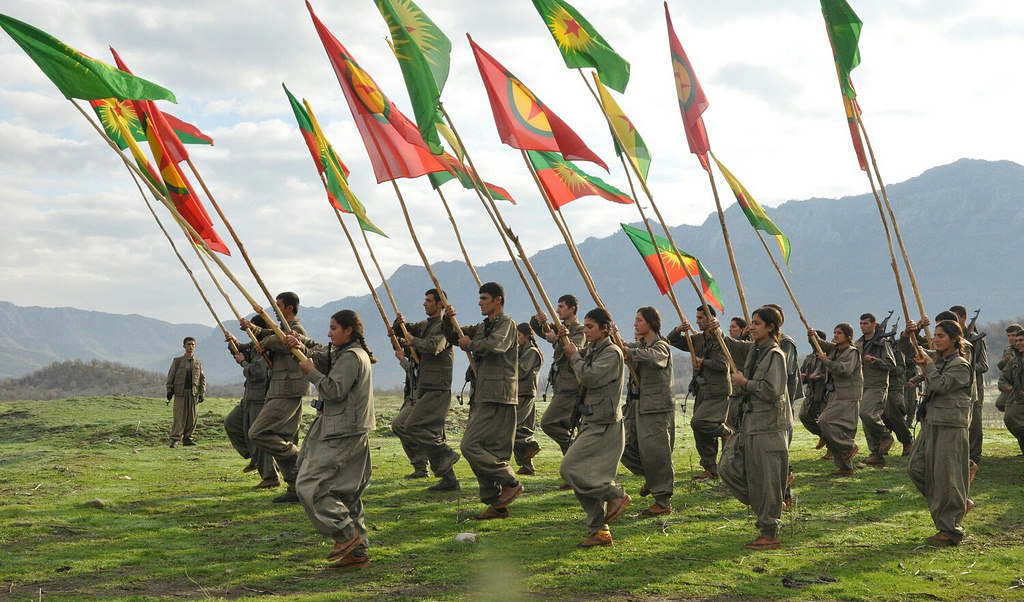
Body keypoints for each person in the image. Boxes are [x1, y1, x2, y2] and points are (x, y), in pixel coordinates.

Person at [286, 310, 375, 569]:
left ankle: (347, 535)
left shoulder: (351, 357)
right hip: (349, 427)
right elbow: (324, 357)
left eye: (333, 328)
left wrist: (311, 373)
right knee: (347, 492)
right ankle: (357, 554)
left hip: (342, 430)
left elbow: (333, 390)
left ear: (348, 330)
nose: (328, 333)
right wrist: (299, 346)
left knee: (307, 485)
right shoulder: (348, 353)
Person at [443, 282, 523, 519]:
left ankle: (509, 481)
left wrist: (472, 345)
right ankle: (496, 503)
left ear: (498, 300)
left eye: (484, 298)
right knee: (486, 449)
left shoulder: (507, 324)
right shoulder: (481, 326)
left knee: (470, 445)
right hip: (482, 394)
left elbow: (495, 345)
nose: (480, 303)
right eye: (479, 298)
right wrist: (448, 319)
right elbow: (455, 336)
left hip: (498, 395)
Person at [719, 306, 792, 550]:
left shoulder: (774, 355)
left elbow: (773, 391)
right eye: (751, 322)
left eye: (757, 323)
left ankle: (770, 531)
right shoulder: (755, 351)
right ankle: (769, 505)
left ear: (770, 328)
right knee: (728, 468)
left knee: (767, 479)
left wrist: (745, 383)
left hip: (768, 426)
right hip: (749, 423)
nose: (752, 327)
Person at [560, 307, 630, 547]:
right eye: (586, 326)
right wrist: (564, 340)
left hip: (605, 424)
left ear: (605, 328)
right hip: (591, 421)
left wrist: (574, 356)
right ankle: (600, 532)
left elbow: (589, 376)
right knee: (584, 475)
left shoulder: (612, 353)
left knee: (570, 469)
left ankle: (616, 495)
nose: (586, 330)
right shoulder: (591, 349)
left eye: (590, 326)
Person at [905, 319, 973, 546]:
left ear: (955, 339)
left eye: (941, 336)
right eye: (934, 335)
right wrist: (909, 334)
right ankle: (956, 503)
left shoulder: (961, 365)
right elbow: (910, 349)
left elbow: (941, 385)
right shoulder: (937, 358)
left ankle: (950, 529)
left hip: (951, 426)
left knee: (947, 477)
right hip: (932, 422)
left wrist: (929, 365)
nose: (935, 339)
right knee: (916, 467)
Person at [239, 292, 311, 503]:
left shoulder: (296, 330)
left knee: (259, 432)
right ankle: (295, 486)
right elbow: (271, 333)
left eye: (278, 306)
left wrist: (265, 341)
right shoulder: (280, 330)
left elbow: (280, 341)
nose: (275, 310)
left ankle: (299, 457)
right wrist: (252, 329)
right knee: (281, 438)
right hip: (278, 390)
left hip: (288, 390)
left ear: (289, 308)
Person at [392, 289, 461, 492]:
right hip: (425, 386)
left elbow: (434, 346)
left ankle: (446, 454)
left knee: (413, 425)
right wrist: (399, 324)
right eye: (425, 300)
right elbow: (404, 331)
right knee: (420, 429)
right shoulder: (425, 325)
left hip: (438, 387)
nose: (425, 304)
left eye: (429, 301)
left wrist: (414, 341)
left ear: (440, 304)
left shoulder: (445, 328)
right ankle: (449, 479)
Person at [621, 307, 675, 516]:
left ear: (651, 323)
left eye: (639, 320)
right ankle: (653, 480)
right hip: (637, 407)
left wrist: (630, 352)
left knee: (657, 453)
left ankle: (662, 501)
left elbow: (653, 358)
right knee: (624, 444)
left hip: (656, 409)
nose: (635, 324)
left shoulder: (661, 347)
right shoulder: (640, 346)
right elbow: (627, 347)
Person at [668, 306, 732, 481]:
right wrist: (679, 330)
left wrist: (703, 362)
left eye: (701, 318)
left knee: (698, 422)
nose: (697, 321)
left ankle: (726, 432)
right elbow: (671, 341)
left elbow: (723, 366)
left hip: (717, 391)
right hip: (702, 390)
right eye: (696, 317)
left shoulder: (721, 340)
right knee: (701, 432)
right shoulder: (696, 340)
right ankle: (710, 468)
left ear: (711, 319)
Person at [223, 315, 278, 488]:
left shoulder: (267, 348)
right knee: (232, 423)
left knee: (258, 437)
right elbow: (241, 349)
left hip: (260, 398)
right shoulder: (255, 345)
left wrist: (243, 363)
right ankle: (253, 457)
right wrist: (233, 342)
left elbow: (257, 371)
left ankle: (270, 477)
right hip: (249, 397)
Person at [532, 294, 585, 457]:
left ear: (572, 309)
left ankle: (576, 450)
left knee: (548, 423)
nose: (558, 310)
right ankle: (572, 469)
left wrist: (556, 340)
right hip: (560, 386)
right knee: (563, 427)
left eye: (562, 307)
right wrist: (537, 319)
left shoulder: (580, 330)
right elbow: (540, 329)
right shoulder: (558, 327)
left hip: (571, 388)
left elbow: (572, 350)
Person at [810, 323, 863, 476]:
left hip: (848, 396)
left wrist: (825, 361)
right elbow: (820, 344)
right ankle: (845, 467)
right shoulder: (835, 349)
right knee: (837, 429)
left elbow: (844, 370)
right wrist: (812, 335)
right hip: (836, 394)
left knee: (825, 421)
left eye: (839, 333)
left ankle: (849, 446)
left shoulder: (852, 352)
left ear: (848, 336)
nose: (836, 335)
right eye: (834, 332)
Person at [855, 313, 899, 467]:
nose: (863, 326)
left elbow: (891, 364)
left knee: (867, 413)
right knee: (866, 420)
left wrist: (876, 361)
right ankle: (876, 454)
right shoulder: (859, 343)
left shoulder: (882, 343)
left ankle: (886, 436)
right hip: (863, 384)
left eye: (866, 323)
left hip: (877, 384)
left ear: (874, 324)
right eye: (861, 323)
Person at [951, 305, 988, 471]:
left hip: (974, 385)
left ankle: (974, 457)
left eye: (955, 317)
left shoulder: (975, 338)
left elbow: (983, 365)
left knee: (974, 423)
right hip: (956, 387)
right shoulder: (953, 338)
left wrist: (964, 368)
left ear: (964, 318)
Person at [390, 343, 428, 479]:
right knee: (401, 427)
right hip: (411, 398)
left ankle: (422, 460)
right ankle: (420, 467)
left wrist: (402, 360)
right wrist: (392, 334)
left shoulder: (424, 351)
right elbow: (398, 344)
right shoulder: (413, 349)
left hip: (419, 399)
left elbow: (416, 374)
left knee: (399, 425)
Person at [514, 322, 543, 475]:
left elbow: (522, 370)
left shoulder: (532, 352)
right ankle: (527, 465)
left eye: (519, 335)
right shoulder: (520, 351)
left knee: (513, 426)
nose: (517, 338)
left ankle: (532, 445)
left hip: (525, 392)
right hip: (518, 392)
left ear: (526, 336)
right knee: (522, 427)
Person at [165, 336, 205, 448]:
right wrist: (169, 391)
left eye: (192, 344)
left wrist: (202, 393)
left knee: (192, 417)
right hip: (180, 393)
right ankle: (175, 439)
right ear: (184, 346)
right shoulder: (177, 361)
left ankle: (188, 438)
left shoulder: (198, 363)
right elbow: (170, 377)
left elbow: (202, 379)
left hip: (193, 393)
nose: (190, 347)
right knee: (179, 417)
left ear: (195, 346)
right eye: (188, 344)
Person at [797, 331, 828, 449]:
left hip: (824, 393)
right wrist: (803, 377)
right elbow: (802, 374)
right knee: (803, 416)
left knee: (825, 421)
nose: (811, 342)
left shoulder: (828, 357)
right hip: (811, 394)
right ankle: (822, 436)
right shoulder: (809, 358)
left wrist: (820, 377)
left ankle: (831, 448)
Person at [997, 329, 1024, 455]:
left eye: (1021, 340)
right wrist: (1007, 387)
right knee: (1010, 419)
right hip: (1016, 398)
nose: (1018, 343)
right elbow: (1003, 379)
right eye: (1017, 341)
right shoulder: (1014, 361)